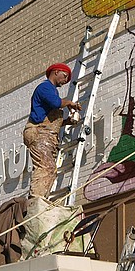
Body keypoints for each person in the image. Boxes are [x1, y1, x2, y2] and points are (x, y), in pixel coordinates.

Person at [23, 62, 82, 199]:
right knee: (46, 167)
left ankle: (41, 198)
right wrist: (69, 102)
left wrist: (67, 121)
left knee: (50, 169)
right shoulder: (45, 87)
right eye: (64, 76)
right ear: (56, 72)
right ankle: (36, 200)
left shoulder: (51, 91)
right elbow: (56, 103)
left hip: (44, 134)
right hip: (39, 133)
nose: (64, 81)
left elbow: (50, 121)